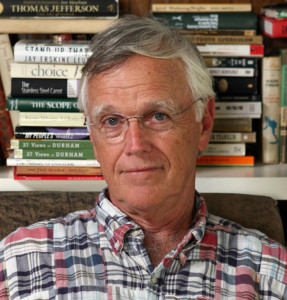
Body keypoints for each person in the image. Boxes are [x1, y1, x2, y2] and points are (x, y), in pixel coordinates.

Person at [1, 15, 286, 299]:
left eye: (159, 116)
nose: (135, 145)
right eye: (112, 121)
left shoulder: (271, 274)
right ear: (93, 137)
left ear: (205, 123)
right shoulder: (17, 264)